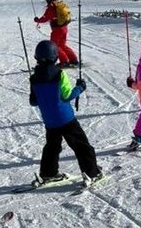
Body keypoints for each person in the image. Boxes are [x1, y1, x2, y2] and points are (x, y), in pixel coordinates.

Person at [29, 40, 102, 185]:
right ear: (55, 56)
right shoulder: (59, 74)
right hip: (66, 119)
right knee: (81, 145)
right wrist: (80, 87)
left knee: (52, 146)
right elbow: (67, 95)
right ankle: (91, 172)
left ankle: (48, 173)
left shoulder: (34, 78)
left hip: (50, 121)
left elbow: (33, 101)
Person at [34, 0, 78, 66]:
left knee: (55, 46)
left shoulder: (51, 7)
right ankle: (73, 60)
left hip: (57, 30)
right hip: (64, 27)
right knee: (62, 45)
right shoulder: (60, 5)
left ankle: (64, 61)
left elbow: (45, 19)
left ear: (48, 0)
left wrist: (37, 20)